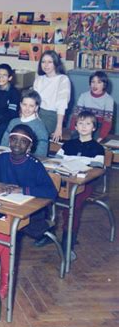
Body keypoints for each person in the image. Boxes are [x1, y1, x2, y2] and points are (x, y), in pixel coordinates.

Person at [0, 124, 57, 299]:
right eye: (14, 139)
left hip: (31, 216)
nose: (17, 144)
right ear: (9, 141)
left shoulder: (34, 165)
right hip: (6, 210)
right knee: (4, 231)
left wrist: (22, 190)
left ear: (29, 146)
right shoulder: (2, 159)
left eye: (23, 142)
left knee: (4, 234)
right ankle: (4, 284)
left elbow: (50, 192)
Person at [56, 111, 105, 260]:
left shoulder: (97, 148)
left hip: (84, 185)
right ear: (76, 127)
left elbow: (96, 171)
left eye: (88, 124)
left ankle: (67, 242)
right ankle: (45, 233)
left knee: (73, 206)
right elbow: (56, 163)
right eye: (81, 123)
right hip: (65, 182)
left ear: (94, 128)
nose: (84, 127)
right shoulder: (68, 145)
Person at [33, 50, 71, 142]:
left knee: (37, 133)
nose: (46, 65)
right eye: (43, 62)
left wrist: (59, 128)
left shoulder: (63, 79)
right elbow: (34, 101)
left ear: (55, 63)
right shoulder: (39, 79)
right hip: (37, 113)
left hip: (53, 115)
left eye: (50, 62)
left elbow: (61, 105)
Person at [1, 89, 49, 157]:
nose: (27, 108)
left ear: (36, 108)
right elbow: (4, 144)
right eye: (24, 105)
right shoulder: (13, 122)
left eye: (31, 106)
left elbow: (41, 152)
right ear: (20, 104)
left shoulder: (40, 126)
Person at [69, 71, 114, 143]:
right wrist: (73, 130)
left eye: (99, 82)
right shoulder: (83, 96)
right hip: (83, 122)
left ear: (104, 85)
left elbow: (107, 122)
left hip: (98, 126)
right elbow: (76, 116)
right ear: (90, 83)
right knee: (75, 140)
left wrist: (101, 136)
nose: (95, 85)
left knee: (92, 142)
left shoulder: (108, 100)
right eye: (93, 82)